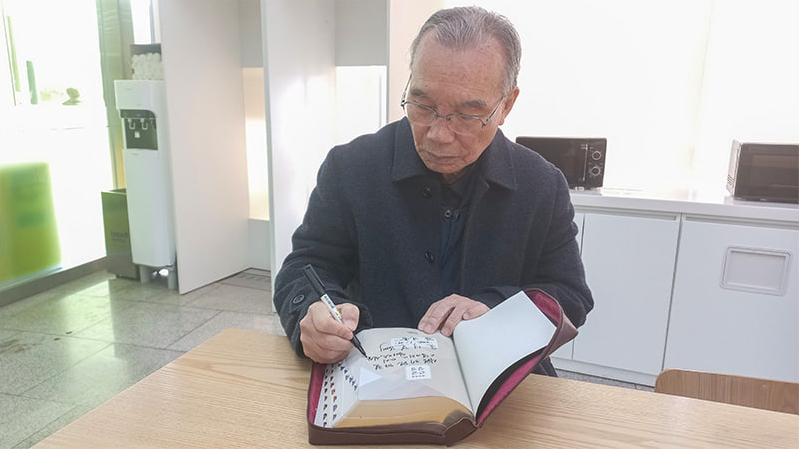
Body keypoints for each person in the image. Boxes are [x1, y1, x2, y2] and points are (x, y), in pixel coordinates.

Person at [273, 6, 593, 375]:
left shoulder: (542, 185)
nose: (438, 134)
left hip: (503, 384)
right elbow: (305, 268)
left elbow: (571, 295)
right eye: (422, 104)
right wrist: (311, 313)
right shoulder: (351, 168)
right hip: (376, 378)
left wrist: (496, 310)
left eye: (467, 115)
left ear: (506, 105)